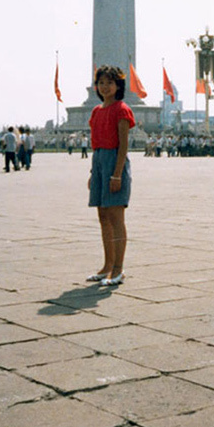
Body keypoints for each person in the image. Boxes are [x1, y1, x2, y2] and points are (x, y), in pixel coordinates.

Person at [86, 66, 135, 286]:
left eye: (110, 82)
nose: (105, 87)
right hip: (98, 163)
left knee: (116, 218)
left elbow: (123, 145)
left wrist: (117, 174)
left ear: (118, 86)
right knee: (103, 217)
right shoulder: (96, 111)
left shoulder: (121, 110)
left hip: (114, 163)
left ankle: (118, 268)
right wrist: (92, 173)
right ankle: (107, 265)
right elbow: (95, 144)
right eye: (101, 83)